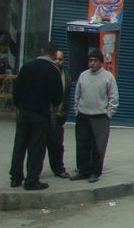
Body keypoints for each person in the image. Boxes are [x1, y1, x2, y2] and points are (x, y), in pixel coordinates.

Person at [8, 42, 65, 190]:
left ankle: (15, 177)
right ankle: (32, 180)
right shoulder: (54, 71)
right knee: (36, 147)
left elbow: (17, 89)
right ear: (53, 55)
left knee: (20, 144)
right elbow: (58, 96)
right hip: (41, 114)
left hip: (24, 112)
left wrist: (19, 105)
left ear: (41, 50)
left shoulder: (27, 66)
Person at [70, 50, 118, 183]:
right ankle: (83, 170)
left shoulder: (108, 77)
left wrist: (109, 113)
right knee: (82, 144)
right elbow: (77, 95)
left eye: (95, 61)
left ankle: (95, 172)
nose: (92, 63)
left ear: (100, 62)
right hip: (83, 116)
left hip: (100, 117)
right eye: (90, 61)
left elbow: (113, 97)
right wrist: (77, 110)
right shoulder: (83, 75)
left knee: (97, 146)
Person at [45, 48, 72, 179]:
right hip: (44, 116)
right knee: (38, 146)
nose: (57, 61)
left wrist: (64, 114)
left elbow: (67, 96)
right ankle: (34, 171)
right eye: (55, 59)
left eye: (60, 59)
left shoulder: (66, 75)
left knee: (57, 145)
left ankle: (59, 168)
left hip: (58, 117)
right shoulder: (44, 73)